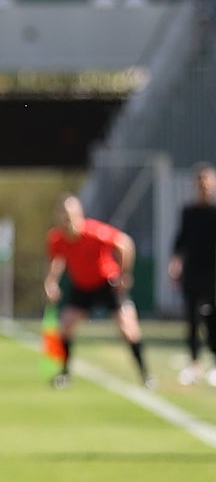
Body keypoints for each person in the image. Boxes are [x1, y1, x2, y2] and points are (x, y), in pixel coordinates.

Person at [43, 193, 153, 389]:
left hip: (106, 284)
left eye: (71, 215)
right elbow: (56, 261)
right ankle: (64, 374)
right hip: (82, 287)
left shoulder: (94, 232)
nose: (68, 220)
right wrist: (51, 282)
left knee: (128, 330)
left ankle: (145, 375)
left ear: (79, 214)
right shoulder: (56, 239)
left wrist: (124, 274)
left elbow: (125, 244)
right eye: (64, 215)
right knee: (65, 326)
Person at [168, 163, 216, 386]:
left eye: (207, 182)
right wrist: (175, 264)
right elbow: (180, 242)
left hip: (213, 274)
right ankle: (194, 364)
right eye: (200, 182)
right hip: (193, 272)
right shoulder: (188, 212)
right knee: (192, 319)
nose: (203, 186)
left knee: (212, 320)